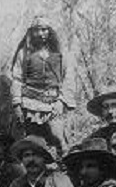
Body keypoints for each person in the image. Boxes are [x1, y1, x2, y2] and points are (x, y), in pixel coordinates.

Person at [10, 15, 75, 156]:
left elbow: (67, 78)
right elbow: (16, 79)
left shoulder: (60, 53)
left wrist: (61, 101)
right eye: (37, 30)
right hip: (29, 104)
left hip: (54, 103)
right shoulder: (24, 53)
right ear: (31, 32)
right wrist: (17, 104)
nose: (41, 34)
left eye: (44, 30)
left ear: (50, 31)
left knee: (59, 139)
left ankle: (64, 169)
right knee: (31, 142)